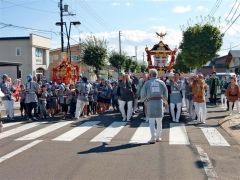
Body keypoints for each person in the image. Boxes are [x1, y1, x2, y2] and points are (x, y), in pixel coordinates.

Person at [140, 69, 168, 144]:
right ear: (157, 75)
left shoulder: (147, 83)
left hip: (150, 102)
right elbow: (165, 94)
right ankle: (158, 137)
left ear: (150, 75)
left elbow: (142, 94)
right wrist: (165, 102)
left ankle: (153, 138)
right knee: (159, 121)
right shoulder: (162, 82)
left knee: (151, 121)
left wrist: (145, 100)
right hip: (159, 102)